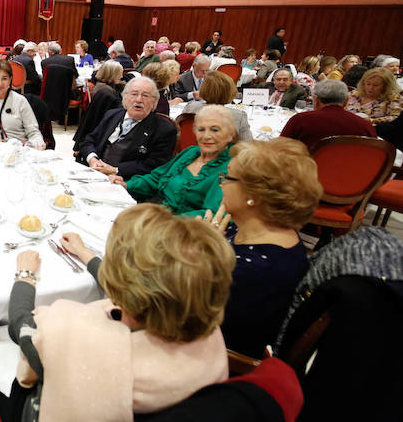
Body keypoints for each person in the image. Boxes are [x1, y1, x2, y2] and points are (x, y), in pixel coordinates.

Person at [5, 204, 233, 422]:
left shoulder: (70, 331)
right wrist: (85, 254)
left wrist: (25, 275)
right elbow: (156, 288)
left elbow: (20, 326)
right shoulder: (211, 337)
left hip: (42, 418)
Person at [212, 139, 321, 358]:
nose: (221, 183)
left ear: (254, 195)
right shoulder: (257, 230)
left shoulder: (256, 268)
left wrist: (196, 257)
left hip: (215, 360)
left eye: (228, 178)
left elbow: (191, 317)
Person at [113, 105, 234, 216]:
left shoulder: (229, 169)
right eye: (201, 130)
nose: (207, 136)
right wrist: (126, 185)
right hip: (154, 212)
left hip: (183, 230)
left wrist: (167, 223)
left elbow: (211, 214)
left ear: (230, 135)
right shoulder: (191, 153)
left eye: (215, 130)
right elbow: (156, 178)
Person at [77, 77, 176, 179]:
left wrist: (115, 170)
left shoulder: (164, 129)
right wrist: (92, 159)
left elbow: (154, 165)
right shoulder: (112, 115)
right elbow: (89, 140)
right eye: (134, 94)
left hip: (126, 182)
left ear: (154, 101)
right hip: (92, 173)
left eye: (145, 96)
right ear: (125, 97)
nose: (138, 100)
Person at [280, 80, 376, 150]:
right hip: (350, 175)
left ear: (316, 100)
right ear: (346, 100)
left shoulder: (301, 120)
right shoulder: (365, 126)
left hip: (306, 174)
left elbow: (279, 148)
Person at [183, 71, 253, 141]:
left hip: (189, 149)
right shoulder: (238, 116)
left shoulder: (191, 107)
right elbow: (248, 146)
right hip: (222, 151)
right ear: (230, 92)